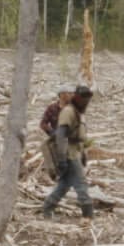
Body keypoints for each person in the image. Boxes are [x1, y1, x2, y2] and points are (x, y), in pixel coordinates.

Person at [42, 85, 95, 219]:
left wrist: (83, 154)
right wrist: (61, 159)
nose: (86, 102)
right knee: (81, 184)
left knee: (64, 184)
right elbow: (61, 136)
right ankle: (88, 216)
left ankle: (47, 208)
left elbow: (79, 136)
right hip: (68, 153)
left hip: (75, 151)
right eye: (83, 99)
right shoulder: (68, 111)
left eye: (87, 99)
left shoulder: (78, 112)